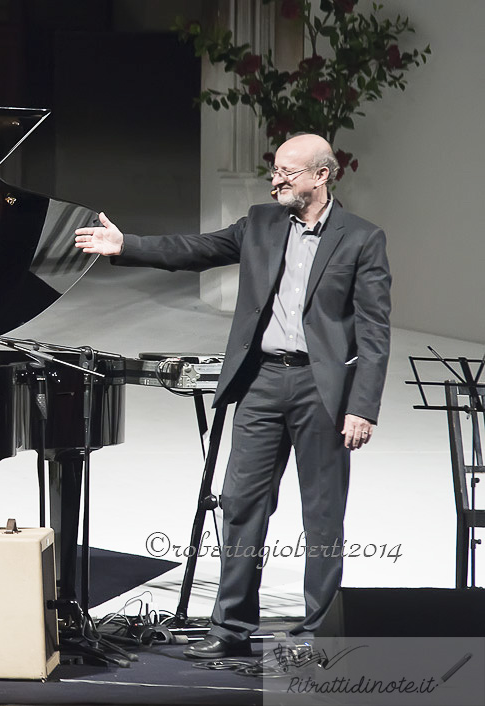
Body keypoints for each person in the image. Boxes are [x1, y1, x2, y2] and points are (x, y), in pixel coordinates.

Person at [74, 134, 391, 658]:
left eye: (289, 172)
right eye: (275, 170)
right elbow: (195, 250)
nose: (277, 179)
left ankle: (319, 633)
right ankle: (231, 628)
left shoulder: (361, 239)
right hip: (262, 382)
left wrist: (362, 405)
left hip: (323, 389)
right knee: (241, 505)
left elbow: (376, 331)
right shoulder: (261, 224)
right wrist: (125, 244)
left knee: (323, 514)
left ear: (322, 175)